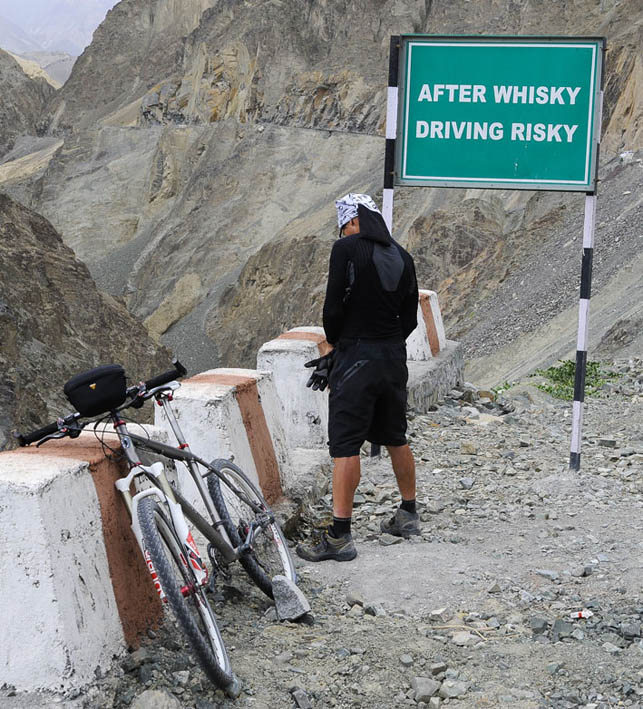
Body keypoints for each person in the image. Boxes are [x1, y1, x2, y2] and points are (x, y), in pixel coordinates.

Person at [296, 193, 420, 563]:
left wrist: (338, 344)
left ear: (352, 222)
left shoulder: (346, 249)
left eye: (343, 226)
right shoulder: (403, 255)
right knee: (396, 435)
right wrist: (388, 341)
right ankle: (409, 514)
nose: (343, 233)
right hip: (393, 357)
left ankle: (340, 536)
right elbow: (410, 316)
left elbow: (333, 306)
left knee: (346, 445)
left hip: (357, 358)